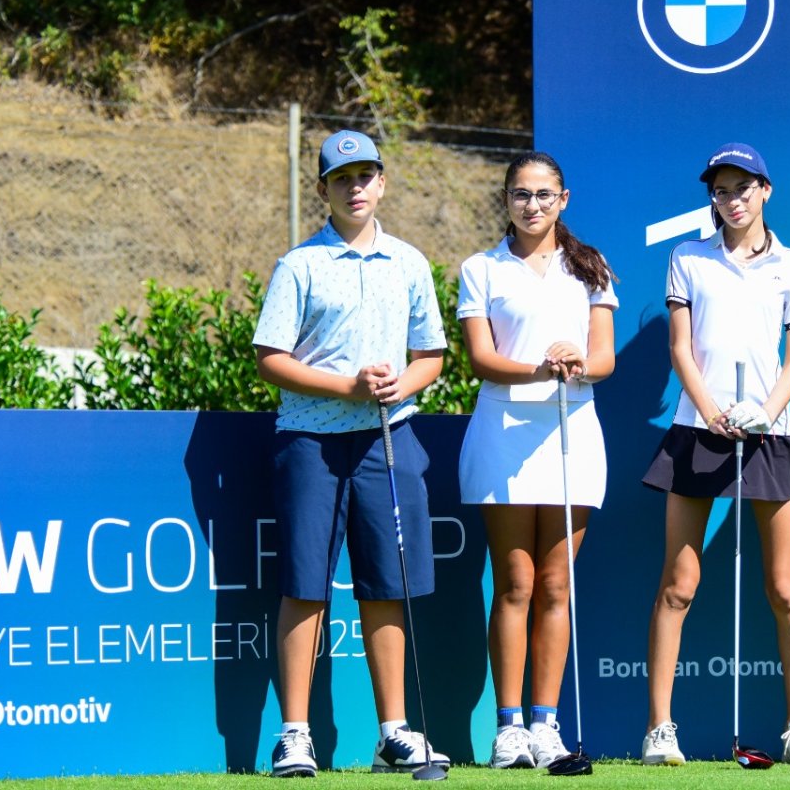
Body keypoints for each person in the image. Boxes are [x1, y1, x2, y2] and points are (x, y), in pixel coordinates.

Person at [252, 130, 450, 778]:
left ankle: (393, 734)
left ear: (382, 183)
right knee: (305, 585)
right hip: (311, 440)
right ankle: (294, 735)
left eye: (366, 175)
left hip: (387, 440)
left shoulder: (409, 263)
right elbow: (270, 358)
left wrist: (401, 385)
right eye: (342, 178)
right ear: (323, 190)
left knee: (387, 584)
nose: (355, 187)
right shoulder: (299, 265)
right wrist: (347, 388)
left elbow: (431, 355)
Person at [640, 142, 790, 766]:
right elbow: (681, 350)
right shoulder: (687, 258)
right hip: (698, 428)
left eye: (743, 188)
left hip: (770, 432)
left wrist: (765, 413)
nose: (732, 200)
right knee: (678, 583)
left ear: (764, 190)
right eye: (721, 191)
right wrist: (713, 412)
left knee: (784, 588)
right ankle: (660, 729)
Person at [455, 151, 618, 769]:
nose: (532, 205)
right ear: (506, 199)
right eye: (521, 194)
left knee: (555, 585)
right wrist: (539, 368)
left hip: (572, 432)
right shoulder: (481, 268)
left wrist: (576, 362)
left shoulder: (591, 267)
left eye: (544, 194)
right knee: (514, 583)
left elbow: (604, 359)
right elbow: (481, 358)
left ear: (563, 200)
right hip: (503, 432)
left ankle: (546, 726)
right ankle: (509, 729)